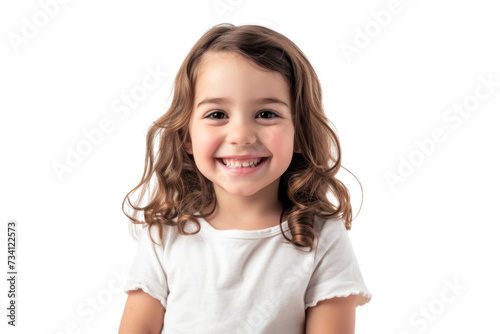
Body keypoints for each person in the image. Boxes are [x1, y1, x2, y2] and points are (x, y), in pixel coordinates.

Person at [118, 23, 372, 334]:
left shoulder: (323, 237)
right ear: (187, 136)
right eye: (216, 114)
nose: (240, 135)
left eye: (266, 114)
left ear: (300, 133)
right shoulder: (165, 235)